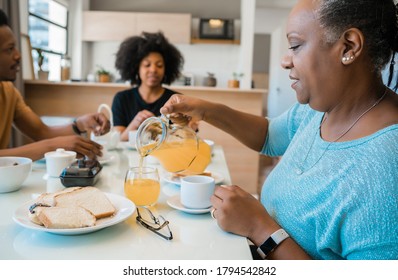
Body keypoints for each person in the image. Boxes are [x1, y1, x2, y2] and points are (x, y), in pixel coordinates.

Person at [160, 0, 398, 260]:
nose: (285, 61)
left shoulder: (386, 167)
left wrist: (260, 228)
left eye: (295, 45)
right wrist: (207, 111)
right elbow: (270, 136)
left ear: (349, 47)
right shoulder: (323, 108)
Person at [0, 9, 110, 161]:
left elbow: (42, 132)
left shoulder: (8, 92)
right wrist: (51, 147)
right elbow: (47, 141)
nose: (18, 55)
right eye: (9, 49)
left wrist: (79, 124)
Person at [111, 31, 185, 141]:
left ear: (166, 69)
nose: (153, 70)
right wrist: (136, 123)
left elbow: (182, 139)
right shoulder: (122, 99)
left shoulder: (176, 100)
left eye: (159, 65)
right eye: (147, 65)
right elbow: (119, 140)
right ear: (137, 68)